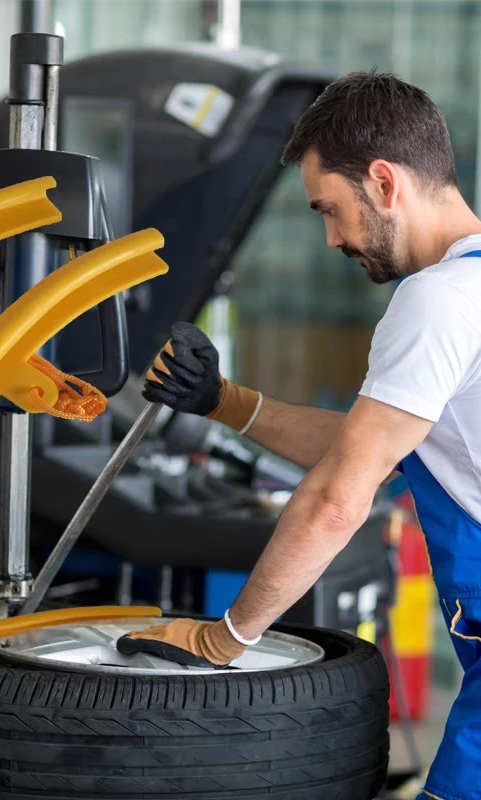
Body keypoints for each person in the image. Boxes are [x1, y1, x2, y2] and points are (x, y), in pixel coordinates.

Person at [121, 70, 481, 800]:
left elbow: (338, 497)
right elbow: (373, 446)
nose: (331, 238)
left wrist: (223, 638)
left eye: (331, 210)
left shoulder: (438, 300)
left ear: (384, 182)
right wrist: (223, 401)